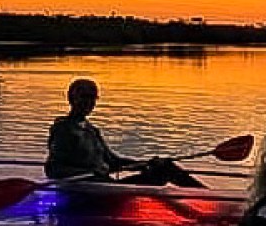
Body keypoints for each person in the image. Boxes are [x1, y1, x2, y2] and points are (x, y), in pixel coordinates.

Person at [45, 78, 203, 186]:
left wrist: (144, 163)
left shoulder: (92, 130)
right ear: (71, 99)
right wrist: (92, 172)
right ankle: (212, 203)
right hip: (88, 193)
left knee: (165, 167)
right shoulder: (63, 129)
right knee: (165, 171)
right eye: (84, 97)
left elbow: (113, 162)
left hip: (106, 188)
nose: (89, 102)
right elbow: (53, 169)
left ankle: (210, 199)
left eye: (93, 98)